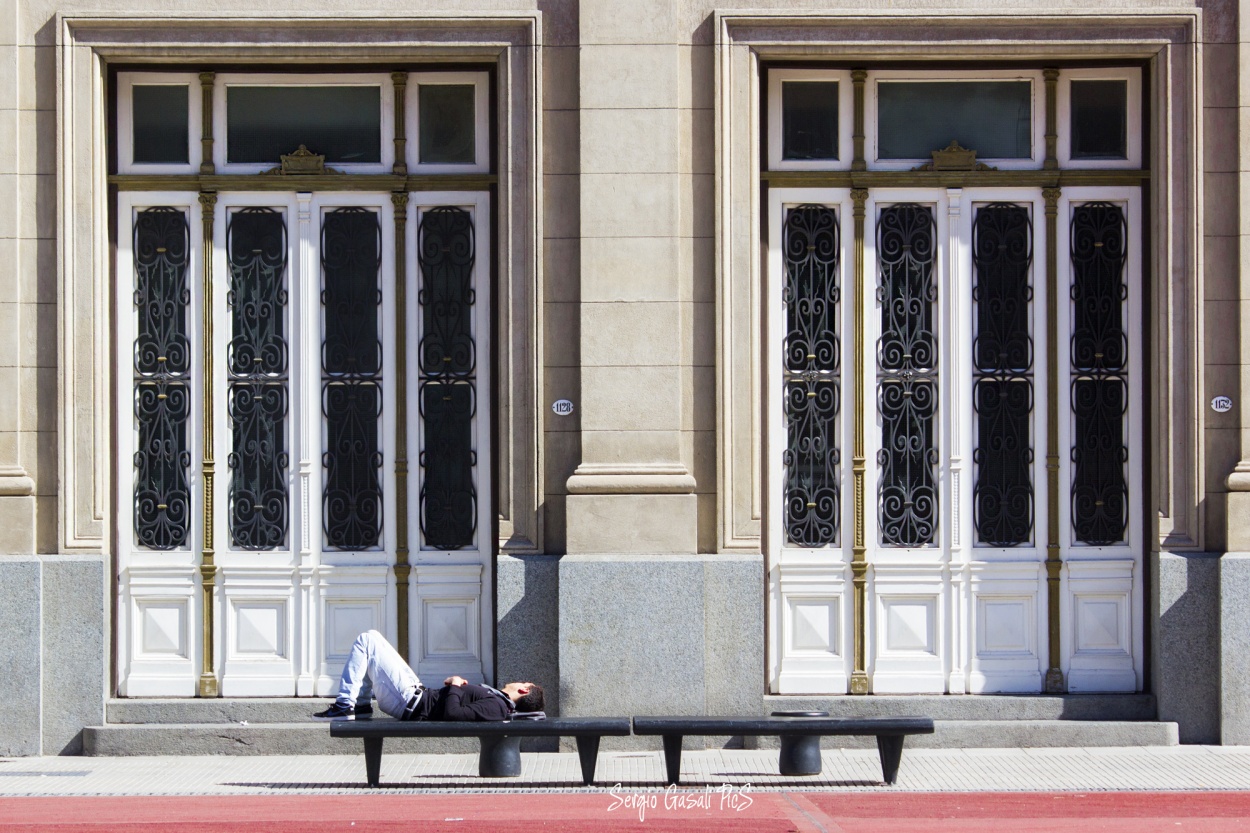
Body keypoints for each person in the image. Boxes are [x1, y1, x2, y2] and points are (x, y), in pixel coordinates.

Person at [312, 629, 543, 722]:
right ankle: (359, 706)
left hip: (410, 702)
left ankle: (346, 705)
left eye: (523, 682)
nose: (518, 680)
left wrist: (454, 685)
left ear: (524, 690)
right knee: (372, 648)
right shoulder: (497, 701)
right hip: (415, 693)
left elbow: (453, 713)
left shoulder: (498, 707)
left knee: (368, 639)